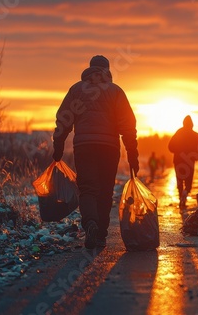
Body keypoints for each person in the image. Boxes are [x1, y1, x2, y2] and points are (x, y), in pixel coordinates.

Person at [52, 55, 139, 249]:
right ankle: (100, 234)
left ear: (90, 69)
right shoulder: (115, 92)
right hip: (109, 148)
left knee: (88, 188)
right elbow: (128, 125)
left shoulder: (76, 90)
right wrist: (133, 153)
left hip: (84, 147)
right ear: (107, 71)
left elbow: (64, 119)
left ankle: (90, 223)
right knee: (105, 191)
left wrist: (58, 144)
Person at [168, 115, 198, 208]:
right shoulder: (196, 135)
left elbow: (170, 147)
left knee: (179, 180)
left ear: (183, 123)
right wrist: (194, 153)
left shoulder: (178, 133)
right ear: (192, 124)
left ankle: (181, 196)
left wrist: (178, 151)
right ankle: (186, 192)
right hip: (189, 163)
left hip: (178, 161)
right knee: (188, 181)